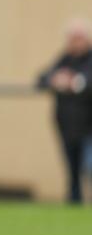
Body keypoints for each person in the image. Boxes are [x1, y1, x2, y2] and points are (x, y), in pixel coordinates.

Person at [37, 18, 92, 204]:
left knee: (89, 166)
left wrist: (74, 82)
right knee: (73, 171)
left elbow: (87, 81)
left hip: (89, 126)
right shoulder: (64, 59)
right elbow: (41, 79)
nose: (75, 42)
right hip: (67, 126)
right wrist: (54, 79)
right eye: (71, 38)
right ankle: (74, 204)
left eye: (78, 38)